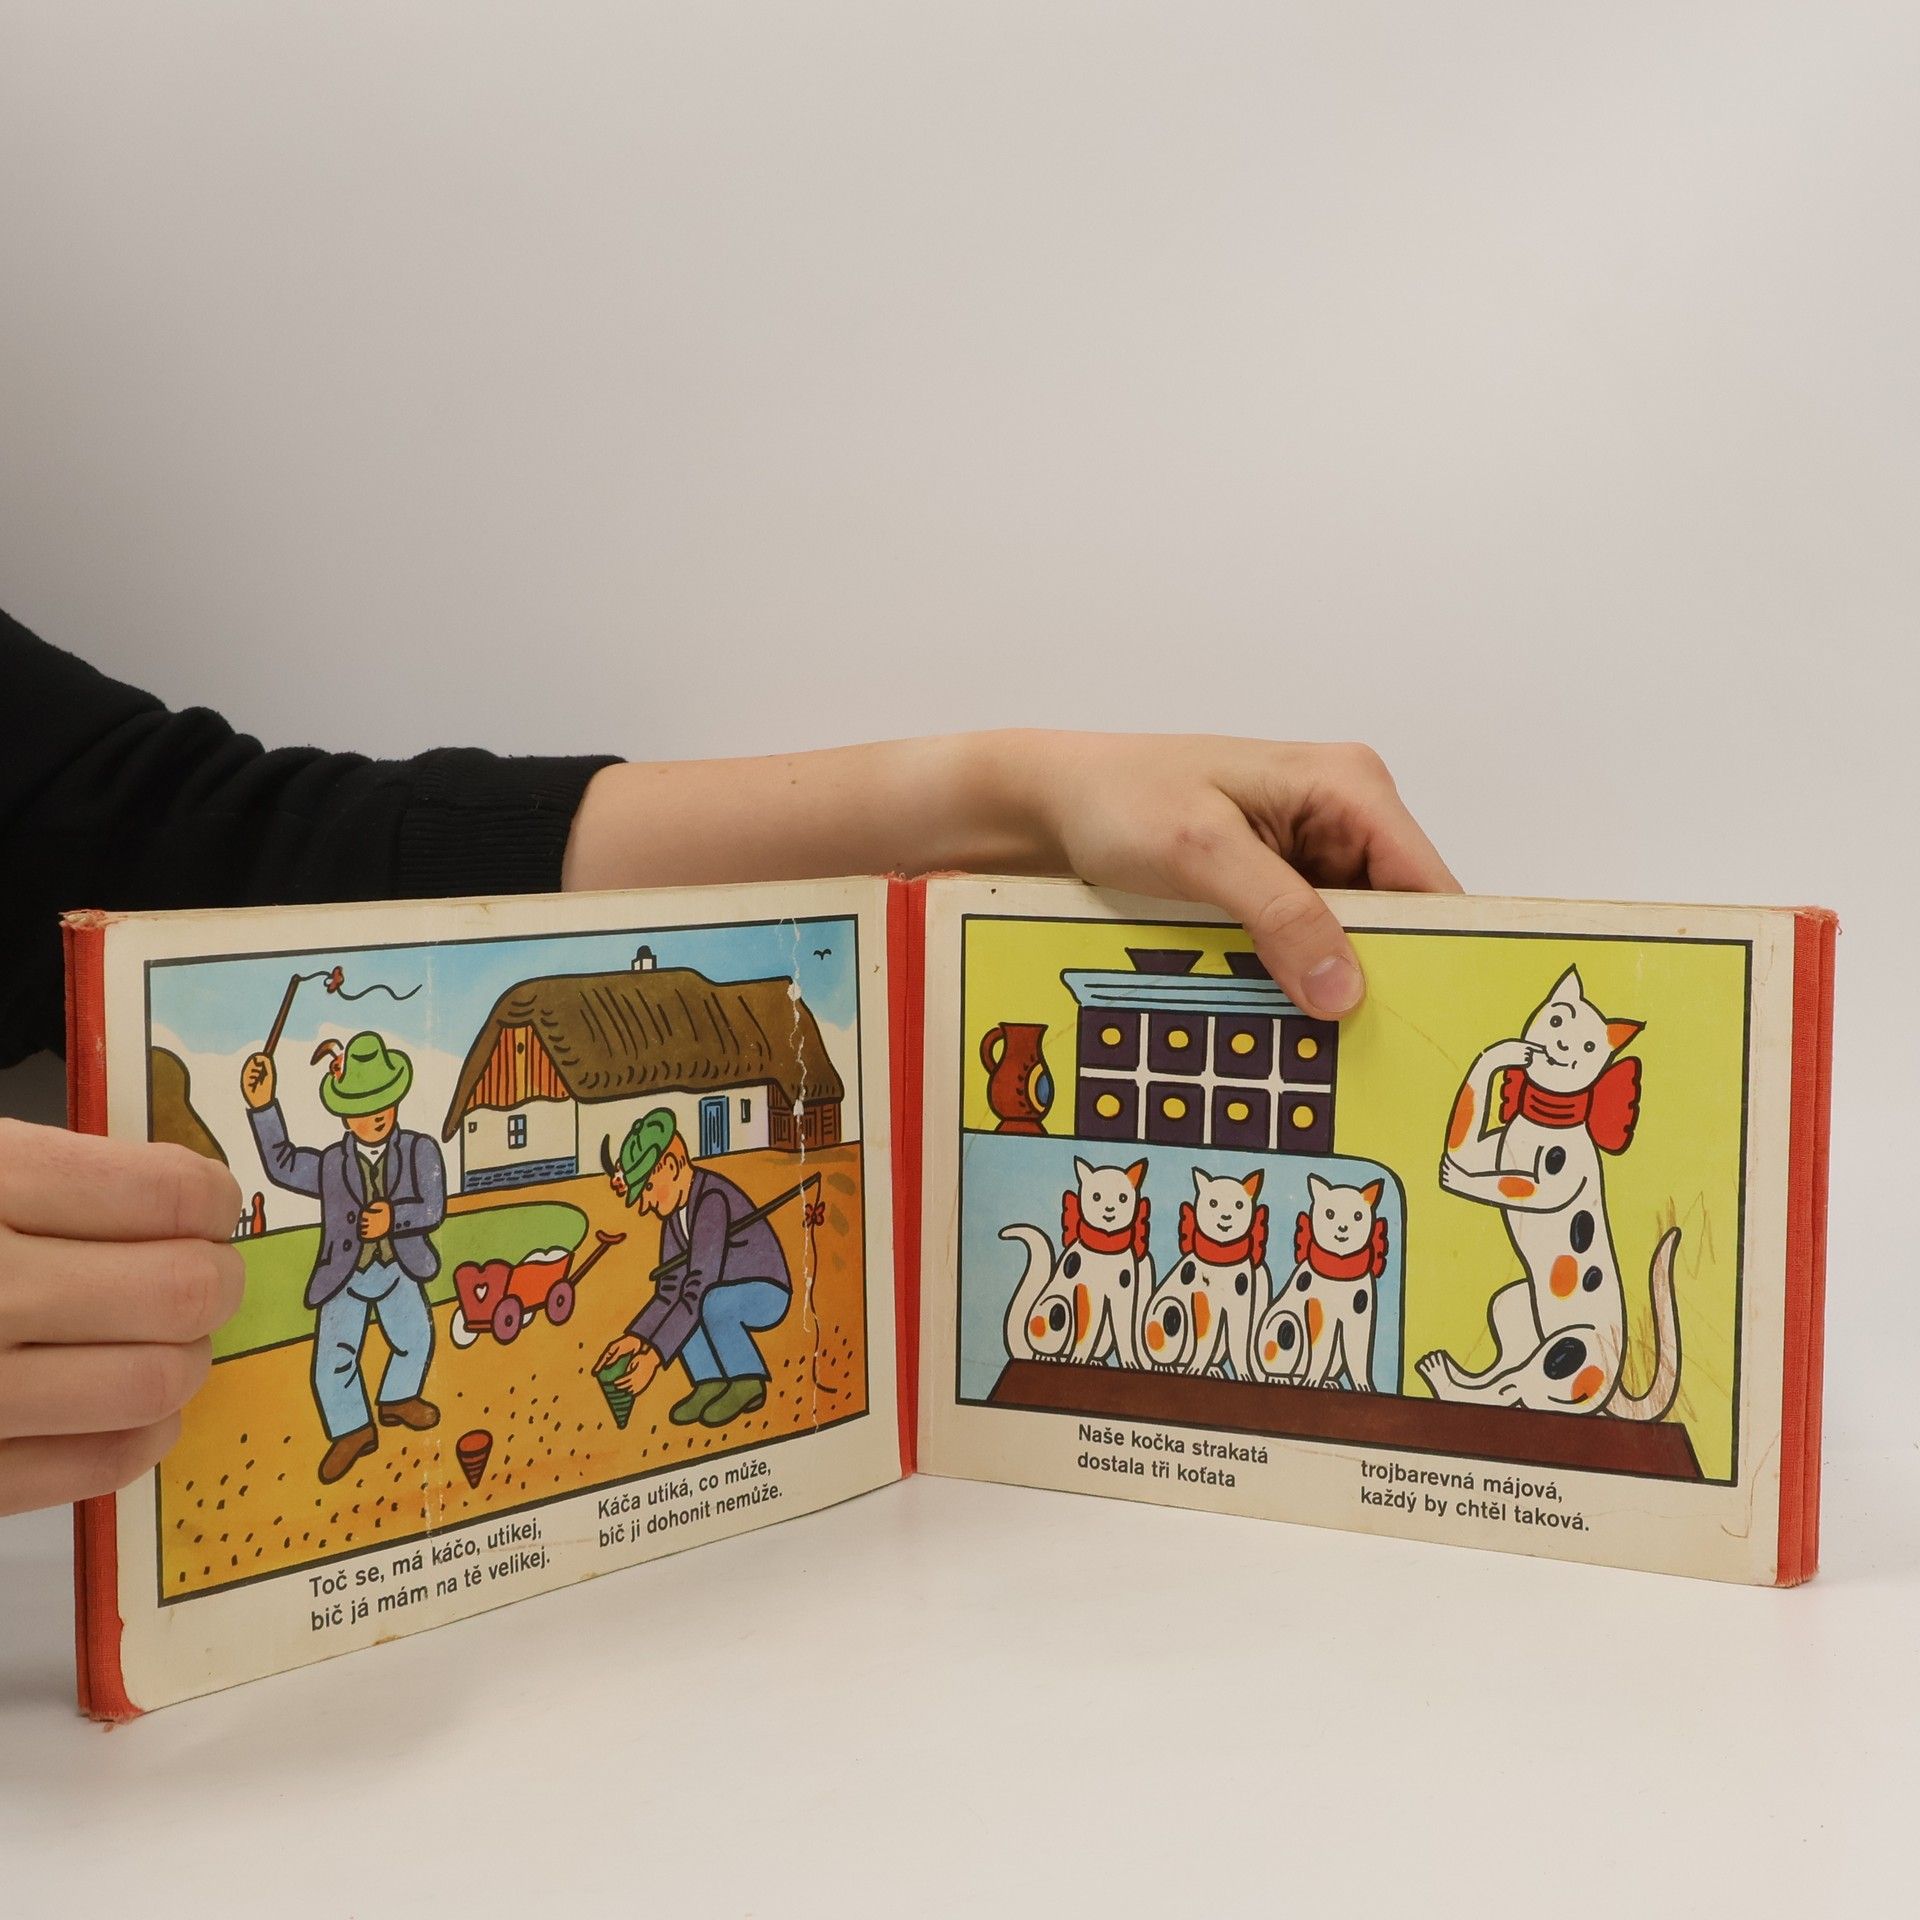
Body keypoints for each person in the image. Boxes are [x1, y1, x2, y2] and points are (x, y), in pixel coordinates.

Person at [0, 607, 1458, 1518]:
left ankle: (531, 1390)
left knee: (686, 1326)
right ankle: (360, 1422)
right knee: (366, 1350)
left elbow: (215, 842)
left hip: (683, 1303)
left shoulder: (675, 1198)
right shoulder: (622, 1193)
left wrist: (1014, 793)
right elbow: (307, 1150)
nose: (642, 1191)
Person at [241, 1031, 447, 1483]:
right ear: (344, 1115)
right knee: (334, 1358)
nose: (376, 1115)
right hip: (345, 1274)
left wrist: (393, 1218)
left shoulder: (420, 1150)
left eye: (384, 1102)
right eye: (363, 1106)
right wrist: (262, 1106)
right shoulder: (333, 1164)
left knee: (415, 1336)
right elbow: (282, 1163)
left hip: (400, 1266)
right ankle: (352, 1430)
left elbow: (433, 1207)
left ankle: (398, 1398)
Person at [593, 1110, 792, 1430]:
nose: (644, 1204)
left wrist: (653, 1359)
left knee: (707, 1302)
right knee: (689, 1302)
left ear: (671, 1166)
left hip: (766, 1290)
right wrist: (637, 1337)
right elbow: (669, 1291)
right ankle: (709, 1382)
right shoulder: (673, 1218)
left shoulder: (712, 1199)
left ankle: (747, 1380)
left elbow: (700, 1284)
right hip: (717, 1293)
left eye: (648, 1187)